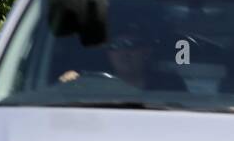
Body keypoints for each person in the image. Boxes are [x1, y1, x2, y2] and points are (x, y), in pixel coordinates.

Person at [58, 22, 186, 91]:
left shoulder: (170, 86)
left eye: (131, 45)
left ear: (146, 51)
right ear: (107, 53)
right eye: (114, 46)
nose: (123, 52)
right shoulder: (90, 85)